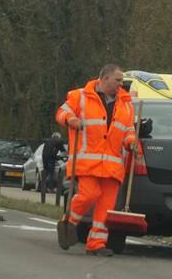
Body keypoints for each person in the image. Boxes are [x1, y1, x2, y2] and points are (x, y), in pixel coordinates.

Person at [55, 64, 136, 256]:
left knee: (106, 208)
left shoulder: (126, 104)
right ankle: (69, 223)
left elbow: (128, 130)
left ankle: (96, 243)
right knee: (88, 195)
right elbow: (61, 113)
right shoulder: (80, 96)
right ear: (105, 78)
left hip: (112, 166)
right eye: (118, 80)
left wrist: (131, 142)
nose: (121, 84)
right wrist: (71, 120)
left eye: (122, 81)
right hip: (87, 162)